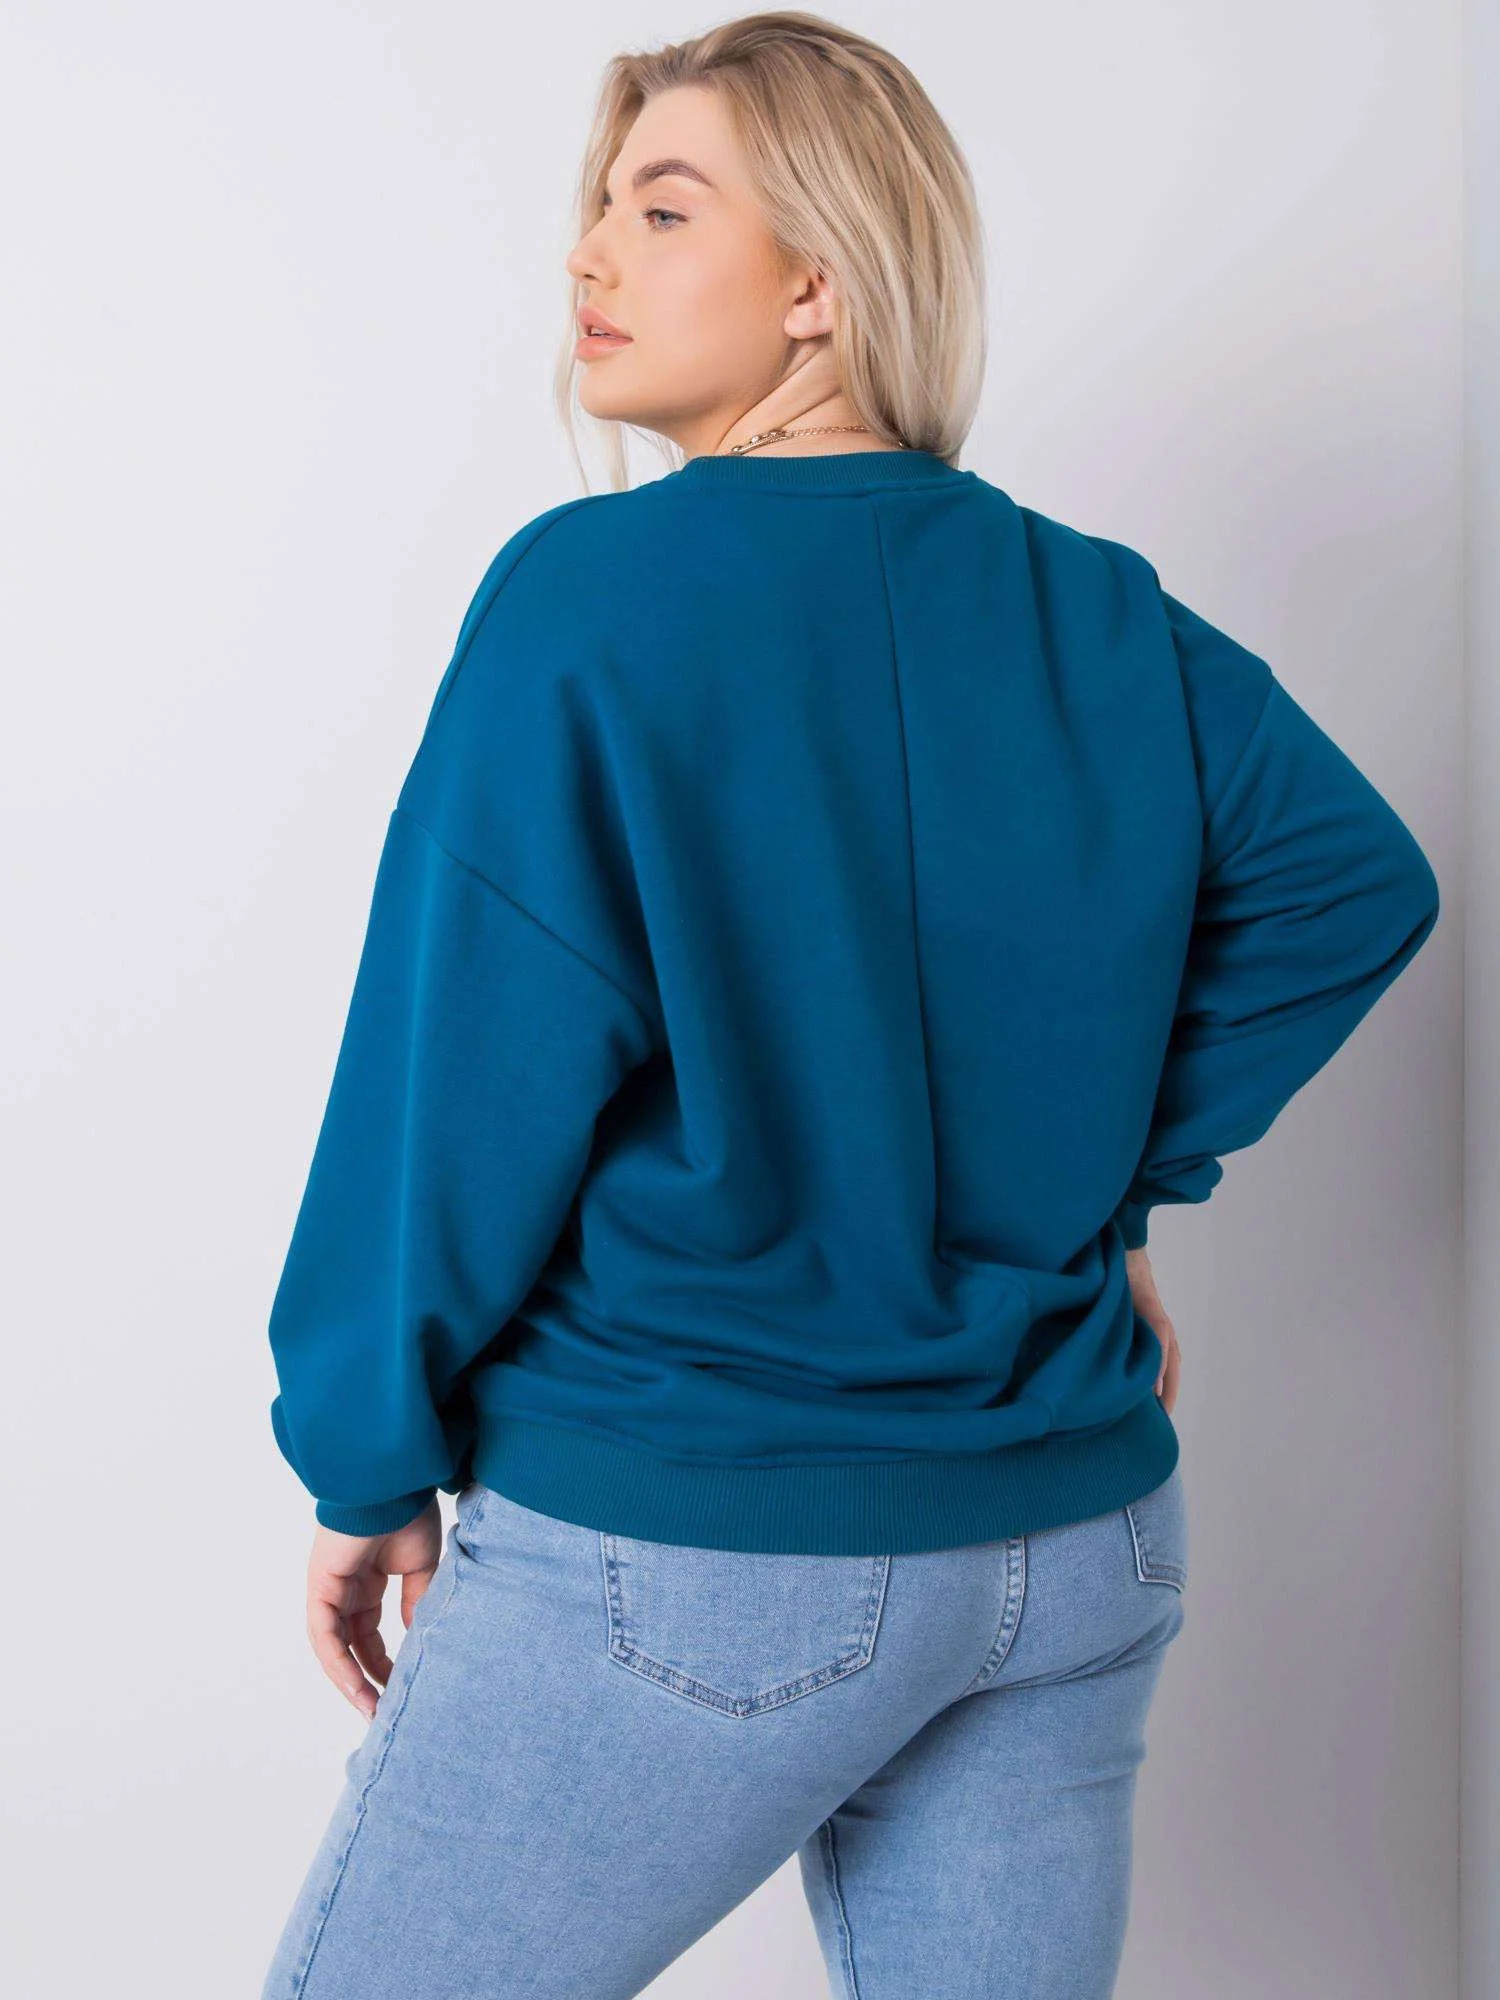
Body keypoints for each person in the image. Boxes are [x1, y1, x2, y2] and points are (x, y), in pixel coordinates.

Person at [259, 13, 1441, 1998]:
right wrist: (1116, 1190)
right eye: (597, 208)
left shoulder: (591, 596)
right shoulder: (1098, 609)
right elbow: (1354, 883)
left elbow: (449, 1076)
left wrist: (365, 1453)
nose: (589, 255)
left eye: (663, 207)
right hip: (1068, 1559)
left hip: (694, 1535)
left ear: (821, 280)